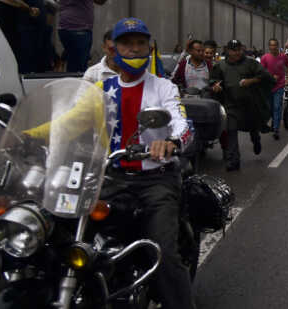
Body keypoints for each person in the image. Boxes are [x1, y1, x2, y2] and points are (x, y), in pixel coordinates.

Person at [26, 17, 195, 309]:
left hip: (155, 181)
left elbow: (183, 123)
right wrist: (29, 136)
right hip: (109, 178)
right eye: (127, 44)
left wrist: (171, 142)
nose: (134, 50)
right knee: (64, 238)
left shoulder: (164, 87)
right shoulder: (102, 89)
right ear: (114, 49)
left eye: (140, 44)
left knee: (163, 253)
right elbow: (70, 123)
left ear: (149, 48)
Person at [210, 40, 273, 171]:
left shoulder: (251, 63)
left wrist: (251, 81)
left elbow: (266, 76)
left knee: (253, 127)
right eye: (233, 50)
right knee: (231, 130)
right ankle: (234, 160)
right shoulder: (220, 66)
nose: (236, 53)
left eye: (238, 49)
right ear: (228, 51)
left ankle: (256, 140)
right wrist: (216, 86)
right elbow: (214, 81)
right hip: (231, 104)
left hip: (250, 104)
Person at [260, 38, 288, 140]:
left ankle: (276, 129)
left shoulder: (283, 57)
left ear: (278, 46)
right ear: (269, 47)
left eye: (275, 45)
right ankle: (274, 121)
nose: (273, 47)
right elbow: (261, 72)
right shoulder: (265, 58)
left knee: (277, 107)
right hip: (268, 87)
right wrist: (270, 77)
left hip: (279, 86)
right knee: (270, 108)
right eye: (271, 45)